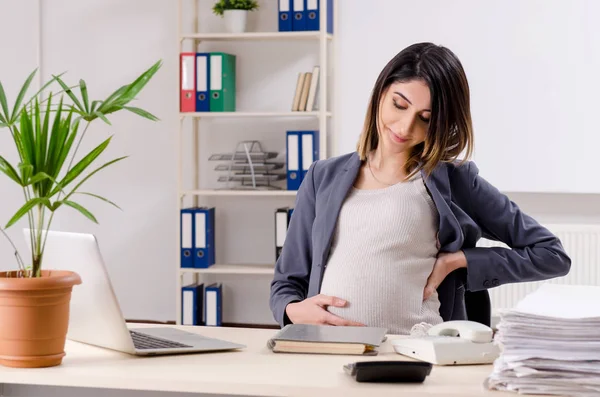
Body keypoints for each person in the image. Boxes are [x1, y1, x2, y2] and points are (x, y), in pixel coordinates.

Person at [269, 42, 571, 335]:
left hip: (417, 352)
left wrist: (458, 260)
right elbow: (287, 281)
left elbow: (551, 254)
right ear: (380, 93)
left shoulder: (454, 181)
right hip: (329, 351)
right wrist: (292, 310)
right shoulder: (323, 176)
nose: (404, 127)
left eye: (425, 119)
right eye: (398, 105)